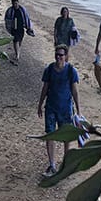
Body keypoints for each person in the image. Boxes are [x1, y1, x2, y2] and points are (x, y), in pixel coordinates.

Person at [37, 44, 80, 177]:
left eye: (61, 55)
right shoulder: (49, 69)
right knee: (50, 135)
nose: (58, 57)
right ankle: (52, 164)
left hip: (66, 109)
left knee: (66, 137)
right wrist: (40, 104)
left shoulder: (71, 71)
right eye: (57, 54)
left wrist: (79, 109)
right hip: (51, 107)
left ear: (66, 56)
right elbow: (45, 87)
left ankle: (65, 164)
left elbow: (74, 90)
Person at [4, 0, 33, 65]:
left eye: (16, 3)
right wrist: (9, 27)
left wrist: (28, 26)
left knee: (20, 40)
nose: (15, 5)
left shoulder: (22, 9)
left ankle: (17, 51)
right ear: (12, 4)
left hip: (21, 27)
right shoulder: (10, 10)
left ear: (18, 3)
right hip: (14, 27)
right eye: (14, 4)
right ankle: (17, 55)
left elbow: (27, 18)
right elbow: (7, 19)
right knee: (15, 40)